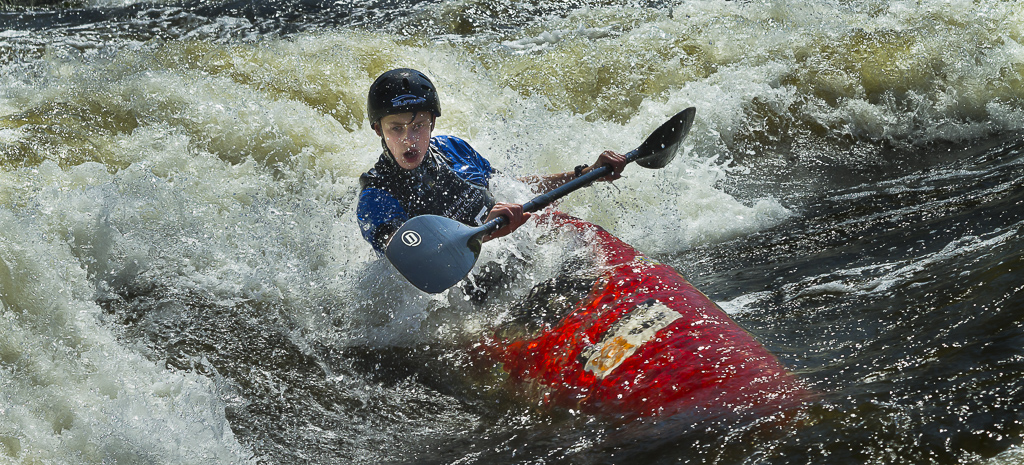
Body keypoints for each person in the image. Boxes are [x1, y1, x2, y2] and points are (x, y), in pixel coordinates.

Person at [356, 68, 627, 254]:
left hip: (515, 253)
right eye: (396, 128)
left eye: (418, 125)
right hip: (466, 293)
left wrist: (586, 173)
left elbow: (515, 188)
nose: (409, 139)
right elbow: (413, 259)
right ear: (378, 129)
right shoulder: (377, 195)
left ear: (433, 122)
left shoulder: (453, 148)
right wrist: (486, 234)